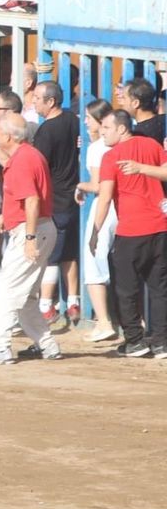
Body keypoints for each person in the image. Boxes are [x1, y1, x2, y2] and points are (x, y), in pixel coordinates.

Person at [0, 113, 60, 364]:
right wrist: (7, 216)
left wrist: (29, 237)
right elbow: (25, 200)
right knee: (26, 296)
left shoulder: (22, 160)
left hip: (32, 230)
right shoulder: (28, 155)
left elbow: (32, 201)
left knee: (8, 292)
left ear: (8, 136)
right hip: (36, 227)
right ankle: (47, 345)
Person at [91, 112, 167, 358]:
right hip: (159, 227)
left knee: (126, 289)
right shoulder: (151, 145)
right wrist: (145, 168)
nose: (102, 132)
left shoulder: (111, 156)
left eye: (106, 127)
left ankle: (134, 340)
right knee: (160, 288)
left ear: (122, 129)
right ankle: (161, 342)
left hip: (132, 230)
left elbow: (104, 199)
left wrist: (95, 231)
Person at [27, 80, 82, 331]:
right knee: (69, 252)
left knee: (49, 255)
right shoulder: (72, 119)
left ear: (51, 102)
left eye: (37, 98)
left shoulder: (46, 130)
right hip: (73, 196)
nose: (33, 102)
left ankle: (46, 305)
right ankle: (73, 300)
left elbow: (39, 168)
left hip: (55, 199)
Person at [74, 100, 119, 343]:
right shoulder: (121, 142)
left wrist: (80, 186)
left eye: (89, 118)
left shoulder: (97, 148)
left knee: (93, 260)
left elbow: (99, 185)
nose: (85, 122)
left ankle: (103, 321)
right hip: (126, 207)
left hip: (106, 206)